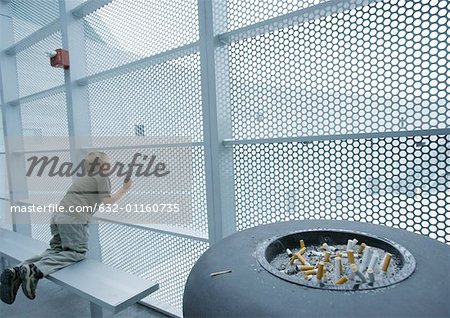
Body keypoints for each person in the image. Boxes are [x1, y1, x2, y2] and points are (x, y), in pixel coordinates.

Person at [0, 152, 132, 304]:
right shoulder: (102, 176)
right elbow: (108, 202)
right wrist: (124, 188)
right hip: (74, 218)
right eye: (109, 163)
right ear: (102, 166)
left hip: (58, 215)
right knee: (76, 252)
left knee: (56, 250)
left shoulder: (84, 178)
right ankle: (35, 271)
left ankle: (17, 270)